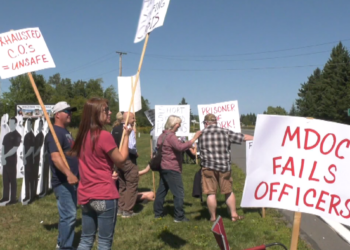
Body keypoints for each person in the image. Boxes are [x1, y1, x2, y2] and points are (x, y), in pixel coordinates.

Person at [69, 98, 131, 250]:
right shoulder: (103, 136)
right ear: (96, 114)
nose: (110, 112)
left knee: (85, 240)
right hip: (104, 194)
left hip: (85, 195)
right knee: (104, 242)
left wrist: (108, 171)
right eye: (106, 110)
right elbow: (122, 161)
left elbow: (95, 162)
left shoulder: (82, 137)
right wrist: (127, 135)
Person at [198, 114, 254, 222]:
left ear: (206, 123)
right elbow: (244, 137)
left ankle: (213, 217)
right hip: (224, 167)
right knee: (228, 191)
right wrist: (258, 138)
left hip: (208, 167)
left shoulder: (201, 134)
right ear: (216, 122)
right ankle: (233, 215)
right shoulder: (225, 132)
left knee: (211, 193)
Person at [153, 115, 202, 222]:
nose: (179, 126)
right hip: (172, 168)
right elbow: (180, 147)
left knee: (162, 191)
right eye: (178, 123)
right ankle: (179, 216)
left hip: (164, 166)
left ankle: (158, 213)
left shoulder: (162, 135)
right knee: (179, 193)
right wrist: (194, 138)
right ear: (174, 124)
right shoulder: (171, 137)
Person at [45, 101, 79, 250]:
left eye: (70, 111)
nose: (70, 113)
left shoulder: (65, 132)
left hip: (71, 181)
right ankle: (65, 247)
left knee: (68, 215)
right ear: (57, 115)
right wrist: (69, 173)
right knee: (69, 215)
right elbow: (55, 157)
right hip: (63, 181)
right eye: (67, 111)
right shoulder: (54, 133)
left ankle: (62, 243)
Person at [111, 112, 139, 218]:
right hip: (128, 160)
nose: (134, 120)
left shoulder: (114, 129)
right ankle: (128, 210)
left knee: (122, 185)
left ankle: (120, 208)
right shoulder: (128, 129)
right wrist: (135, 153)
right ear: (127, 118)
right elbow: (131, 146)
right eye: (133, 118)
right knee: (131, 184)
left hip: (117, 159)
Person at [0, 117, 22, 205]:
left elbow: (14, 149)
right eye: (9, 123)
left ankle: (13, 199)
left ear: (15, 124)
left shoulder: (17, 135)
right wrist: (2, 158)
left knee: (12, 179)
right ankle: (5, 197)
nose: (10, 125)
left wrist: (5, 156)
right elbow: (3, 147)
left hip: (12, 161)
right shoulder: (6, 136)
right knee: (5, 179)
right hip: (5, 160)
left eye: (12, 123)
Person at [22, 119, 35, 203]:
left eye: (29, 124)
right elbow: (24, 147)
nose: (28, 125)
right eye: (27, 124)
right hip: (26, 160)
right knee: (26, 179)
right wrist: (23, 157)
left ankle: (32, 196)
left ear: (31, 125)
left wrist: (26, 156)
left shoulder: (32, 136)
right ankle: (27, 195)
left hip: (30, 160)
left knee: (31, 179)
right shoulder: (26, 135)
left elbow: (32, 148)